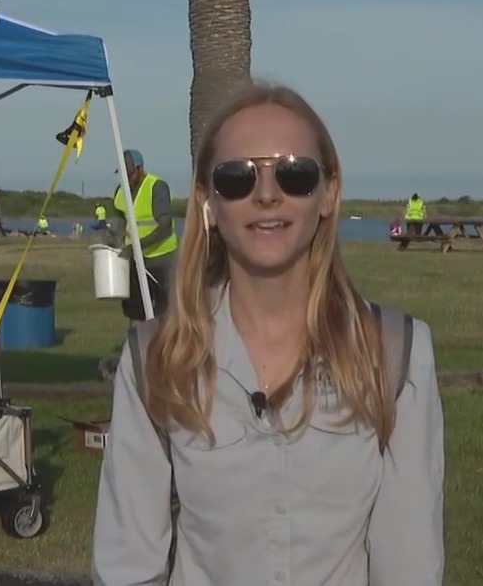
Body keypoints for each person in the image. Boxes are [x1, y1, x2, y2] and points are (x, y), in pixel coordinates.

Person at [92, 82, 445, 585]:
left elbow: (409, 565)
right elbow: (127, 568)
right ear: (207, 201)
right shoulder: (155, 359)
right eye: (236, 177)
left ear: (329, 193)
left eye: (294, 174)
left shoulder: (395, 352)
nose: (266, 194)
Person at [111, 148, 179, 322]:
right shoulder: (120, 191)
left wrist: (136, 247)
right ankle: (140, 337)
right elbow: (119, 221)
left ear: (139, 169)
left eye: (130, 174)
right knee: (136, 309)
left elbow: (165, 226)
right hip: (135, 260)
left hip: (161, 258)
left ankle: (168, 337)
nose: (126, 178)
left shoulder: (157, 186)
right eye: (123, 174)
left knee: (166, 308)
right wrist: (113, 239)